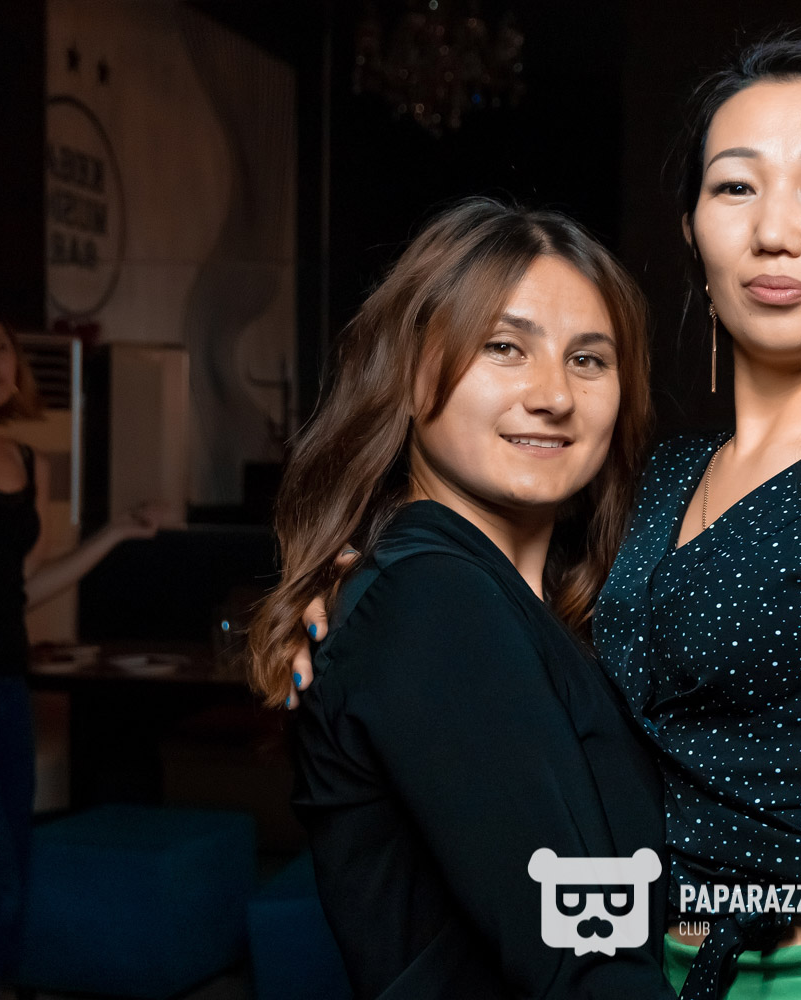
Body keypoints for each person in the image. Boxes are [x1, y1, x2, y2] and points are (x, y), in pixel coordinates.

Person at [290, 36, 801, 1000]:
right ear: (692, 231)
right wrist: (364, 587)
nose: (775, 230)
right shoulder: (654, 484)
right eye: (735, 187)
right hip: (664, 965)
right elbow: (503, 626)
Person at [246, 199, 677, 1000]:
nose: (554, 395)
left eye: (589, 359)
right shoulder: (430, 599)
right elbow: (583, 956)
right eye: (504, 347)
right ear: (411, 376)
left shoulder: (533, 604)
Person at [0, 306, 164, 1000]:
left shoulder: (27, 461)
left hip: (5, 689)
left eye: (0, 347)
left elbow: (20, 587)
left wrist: (113, 534)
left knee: (11, 886)